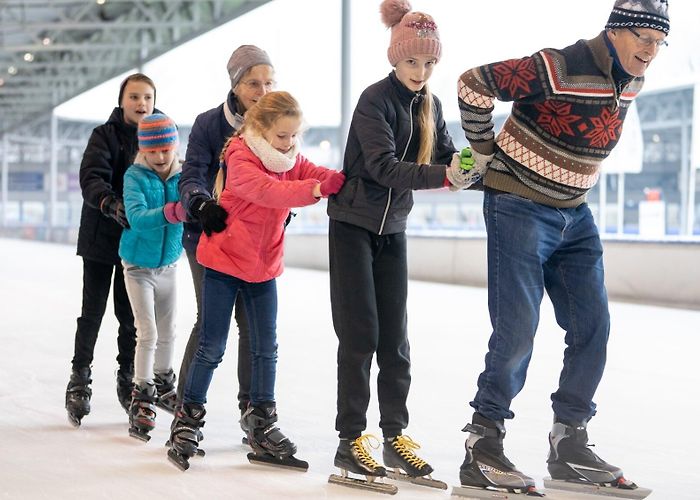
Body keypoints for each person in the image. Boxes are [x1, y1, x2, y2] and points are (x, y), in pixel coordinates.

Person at [454, 0, 670, 494]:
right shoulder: (556, 65)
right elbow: (472, 82)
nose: (651, 51)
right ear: (615, 32)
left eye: (660, 43)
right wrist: (482, 150)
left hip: (576, 213)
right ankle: (483, 445)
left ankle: (569, 443)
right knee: (518, 331)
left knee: (593, 327)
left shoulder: (632, 78)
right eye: (644, 38)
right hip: (518, 207)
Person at [326, 0, 476, 488]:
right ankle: (351, 440)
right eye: (413, 61)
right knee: (361, 335)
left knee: (396, 340)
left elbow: (452, 156)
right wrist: (445, 175)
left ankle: (396, 436)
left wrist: (473, 164)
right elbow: (382, 167)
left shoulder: (430, 105)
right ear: (395, 58)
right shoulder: (375, 100)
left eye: (430, 62)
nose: (421, 70)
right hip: (353, 225)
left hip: (393, 231)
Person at [167, 91, 346, 471]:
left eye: (295, 136)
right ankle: (187, 418)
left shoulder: (286, 157)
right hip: (225, 264)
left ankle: (261, 419)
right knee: (211, 345)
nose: (290, 143)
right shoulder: (241, 156)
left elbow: (309, 170)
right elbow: (269, 192)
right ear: (261, 129)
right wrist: (316, 190)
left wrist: (337, 179)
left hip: (263, 268)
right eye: (283, 136)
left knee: (266, 347)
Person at [177, 45, 275, 427]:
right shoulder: (209, 124)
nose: (262, 92)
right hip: (208, 235)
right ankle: (186, 410)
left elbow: (287, 171)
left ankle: (253, 412)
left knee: (253, 327)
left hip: (254, 243)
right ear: (235, 85)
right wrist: (200, 204)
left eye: (269, 83)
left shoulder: (272, 125)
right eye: (253, 83)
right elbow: (192, 175)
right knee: (211, 324)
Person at [65, 73, 159, 427]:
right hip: (101, 236)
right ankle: (80, 376)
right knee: (92, 311)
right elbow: (91, 176)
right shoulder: (103, 136)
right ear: (122, 100)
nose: (141, 104)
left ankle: (127, 377)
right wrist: (109, 202)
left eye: (147, 97)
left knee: (130, 316)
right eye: (134, 96)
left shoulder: (158, 137)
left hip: (136, 241)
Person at [119, 113, 186, 441]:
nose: (160, 157)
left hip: (169, 264)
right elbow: (136, 217)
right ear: (144, 150)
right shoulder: (134, 176)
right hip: (138, 267)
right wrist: (172, 212)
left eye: (166, 150)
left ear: (174, 147)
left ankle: (162, 382)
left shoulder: (183, 175)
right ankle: (141, 395)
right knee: (147, 332)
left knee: (169, 330)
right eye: (154, 151)